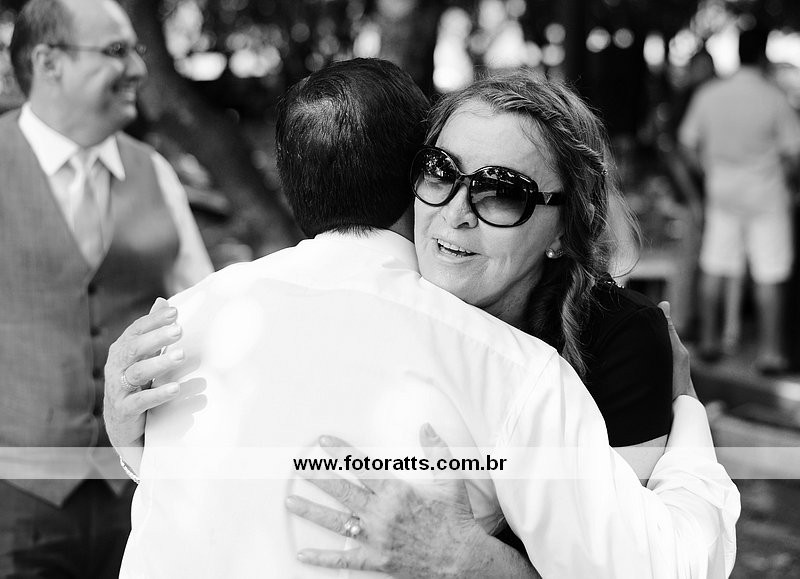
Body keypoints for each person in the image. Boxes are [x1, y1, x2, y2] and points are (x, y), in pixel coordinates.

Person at [106, 59, 738, 578]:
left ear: (562, 227)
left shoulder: (570, 359)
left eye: (502, 192)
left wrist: (686, 418)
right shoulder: (215, 331)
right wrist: (138, 439)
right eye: (440, 173)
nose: (456, 212)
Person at [0, 0, 213, 576]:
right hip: (14, 505)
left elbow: (207, 319)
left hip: (140, 494)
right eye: (117, 51)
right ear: (49, 63)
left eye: (136, 51)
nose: (139, 69)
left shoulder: (156, 172)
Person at [679, 25, 800, 373]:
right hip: (766, 193)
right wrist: (787, 178)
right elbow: (793, 154)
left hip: (722, 190)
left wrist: (707, 170)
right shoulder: (774, 97)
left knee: (715, 264)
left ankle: (710, 341)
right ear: (763, 54)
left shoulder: (711, 94)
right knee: (769, 272)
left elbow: (686, 143)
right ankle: (770, 353)